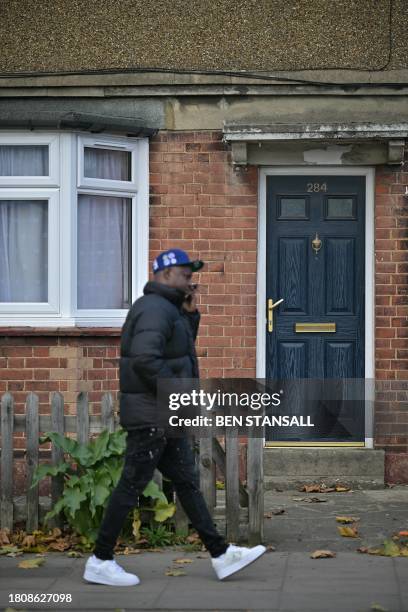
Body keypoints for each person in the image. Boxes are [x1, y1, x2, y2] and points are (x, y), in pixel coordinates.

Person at [83, 249, 266, 586]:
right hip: (153, 414)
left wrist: (191, 315)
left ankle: (221, 555)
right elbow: (144, 360)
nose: (190, 279)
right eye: (184, 273)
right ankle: (100, 559)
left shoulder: (169, 309)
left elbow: (178, 351)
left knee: (186, 482)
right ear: (165, 274)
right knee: (132, 484)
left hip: (164, 414)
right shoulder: (153, 309)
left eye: (191, 273)